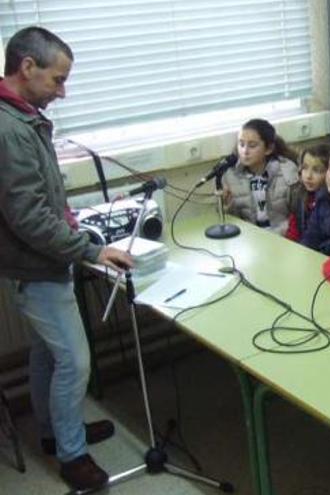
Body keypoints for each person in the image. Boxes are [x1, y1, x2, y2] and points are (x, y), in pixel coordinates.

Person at [0, 26, 134, 491]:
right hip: (35, 268)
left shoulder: (22, 116)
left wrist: (70, 218)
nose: (63, 91)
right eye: (57, 80)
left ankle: (56, 431)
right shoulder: (9, 129)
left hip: (36, 263)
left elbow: (36, 198)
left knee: (47, 356)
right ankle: (71, 454)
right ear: (27, 67)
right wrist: (93, 250)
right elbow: (29, 217)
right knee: (75, 362)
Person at [221, 118, 298, 235]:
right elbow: (231, 221)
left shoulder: (287, 171)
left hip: (283, 234)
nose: (245, 151)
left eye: (252, 146)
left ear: (269, 149)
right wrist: (227, 206)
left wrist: (275, 234)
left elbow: (297, 216)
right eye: (241, 144)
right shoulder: (230, 175)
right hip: (250, 237)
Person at [285, 143, 330, 242]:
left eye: (317, 170)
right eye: (305, 168)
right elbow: (294, 228)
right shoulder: (299, 194)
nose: (308, 176)